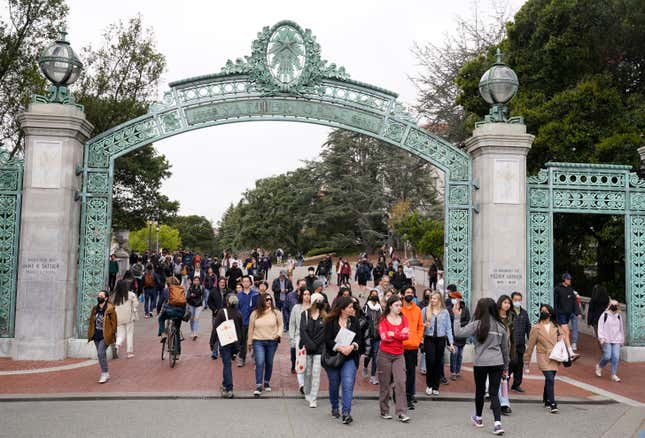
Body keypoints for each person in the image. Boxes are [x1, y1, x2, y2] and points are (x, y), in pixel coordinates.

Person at [453, 298, 509, 435]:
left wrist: (457, 317)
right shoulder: (500, 326)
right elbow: (505, 350)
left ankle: (478, 418)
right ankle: (497, 423)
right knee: (495, 393)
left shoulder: (476, 324)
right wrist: (506, 367)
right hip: (497, 362)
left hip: (481, 363)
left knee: (480, 391)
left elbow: (458, 333)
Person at [323, 296, 364, 425]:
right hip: (334, 357)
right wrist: (340, 348)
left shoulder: (354, 321)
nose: (353, 309)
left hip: (350, 357)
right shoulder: (330, 321)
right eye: (350, 307)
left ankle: (346, 412)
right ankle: (335, 407)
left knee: (347, 383)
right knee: (334, 384)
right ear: (342, 309)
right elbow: (327, 340)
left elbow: (359, 339)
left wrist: (352, 347)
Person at [524, 303, 572, 414]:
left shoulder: (556, 326)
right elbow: (531, 345)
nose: (543, 312)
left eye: (545, 311)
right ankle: (552, 403)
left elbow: (563, 340)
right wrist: (527, 360)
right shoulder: (536, 328)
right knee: (550, 378)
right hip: (543, 356)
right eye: (542, 311)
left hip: (554, 356)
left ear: (550, 313)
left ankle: (546, 399)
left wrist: (567, 349)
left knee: (550, 379)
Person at [377, 295, 411, 423]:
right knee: (385, 384)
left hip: (399, 355)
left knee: (401, 382)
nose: (399, 308)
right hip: (384, 354)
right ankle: (384, 410)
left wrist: (394, 334)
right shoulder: (383, 319)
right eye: (396, 305)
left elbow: (406, 335)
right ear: (390, 306)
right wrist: (398, 334)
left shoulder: (404, 319)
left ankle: (401, 412)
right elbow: (385, 337)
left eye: (400, 305)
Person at [248, 293, 283, 396]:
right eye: (267, 299)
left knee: (269, 362)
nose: (269, 301)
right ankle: (259, 384)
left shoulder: (276, 312)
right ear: (262, 301)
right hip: (258, 340)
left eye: (270, 299)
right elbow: (251, 328)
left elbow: (281, 325)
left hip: (272, 341)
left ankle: (266, 381)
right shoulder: (255, 313)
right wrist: (249, 342)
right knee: (260, 361)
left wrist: (278, 334)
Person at [422, 292, 454, 396]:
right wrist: (424, 325)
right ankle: (429, 385)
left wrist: (451, 343)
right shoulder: (425, 310)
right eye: (431, 298)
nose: (432, 300)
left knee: (438, 363)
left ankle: (436, 386)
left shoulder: (445, 312)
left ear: (439, 300)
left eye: (435, 298)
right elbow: (420, 325)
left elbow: (449, 328)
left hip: (441, 339)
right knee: (430, 361)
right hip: (429, 339)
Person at [213, 294, 243, 398]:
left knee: (227, 365)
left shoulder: (222, 312)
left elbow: (215, 328)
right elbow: (241, 331)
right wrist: (240, 345)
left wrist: (212, 342)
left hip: (225, 341)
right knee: (228, 364)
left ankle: (229, 388)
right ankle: (225, 384)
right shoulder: (239, 314)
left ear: (227, 302)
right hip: (235, 343)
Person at [300, 292, 327, 408]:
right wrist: (309, 344)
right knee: (308, 372)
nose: (320, 303)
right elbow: (303, 331)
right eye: (318, 301)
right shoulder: (305, 314)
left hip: (319, 349)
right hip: (307, 347)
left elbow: (324, 333)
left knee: (316, 372)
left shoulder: (324, 316)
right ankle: (306, 391)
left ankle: (313, 397)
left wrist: (315, 344)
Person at [400, 286, 423, 410]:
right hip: (399, 346)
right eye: (407, 292)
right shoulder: (398, 308)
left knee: (410, 373)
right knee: (398, 373)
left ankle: (408, 398)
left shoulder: (418, 309)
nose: (410, 294)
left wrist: (418, 339)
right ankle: (398, 395)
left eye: (412, 293)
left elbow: (420, 326)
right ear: (403, 294)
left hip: (413, 347)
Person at [87, 290, 117, 383]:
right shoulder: (95, 308)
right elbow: (92, 321)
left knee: (100, 353)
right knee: (101, 355)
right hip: (96, 335)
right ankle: (106, 372)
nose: (99, 297)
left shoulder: (110, 309)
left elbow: (114, 323)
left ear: (106, 298)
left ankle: (104, 373)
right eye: (98, 295)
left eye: (101, 295)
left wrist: (111, 333)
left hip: (105, 335)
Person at [157, 277, 187, 359]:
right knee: (177, 331)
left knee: (161, 318)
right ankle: (177, 353)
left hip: (170, 311)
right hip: (180, 312)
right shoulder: (181, 289)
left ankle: (163, 334)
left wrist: (158, 311)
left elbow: (160, 303)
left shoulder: (166, 290)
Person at [595, 299, 624, 382]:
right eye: (612, 305)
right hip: (606, 339)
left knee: (616, 357)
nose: (614, 307)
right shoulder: (604, 315)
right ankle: (600, 366)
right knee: (607, 356)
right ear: (609, 305)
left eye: (615, 305)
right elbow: (600, 327)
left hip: (616, 339)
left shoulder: (618, 316)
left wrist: (622, 339)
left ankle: (613, 374)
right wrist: (601, 338)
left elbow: (621, 328)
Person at [509, 292, 531, 392]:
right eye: (515, 300)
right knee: (512, 362)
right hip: (510, 344)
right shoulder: (509, 312)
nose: (517, 302)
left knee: (519, 365)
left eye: (519, 300)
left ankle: (516, 384)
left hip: (521, 343)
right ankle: (505, 379)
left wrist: (530, 338)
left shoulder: (524, 313)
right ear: (511, 300)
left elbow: (528, 327)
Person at [497, 294, 515, 415]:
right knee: (496, 379)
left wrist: (512, 353)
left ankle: (503, 402)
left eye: (508, 303)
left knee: (504, 378)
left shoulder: (511, 319)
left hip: (506, 352)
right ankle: (500, 402)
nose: (507, 305)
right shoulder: (495, 318)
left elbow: (512, 338)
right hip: (495, 352)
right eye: (505, 302)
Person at [447, 289, 470, 381]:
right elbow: (448, 322)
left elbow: (468, 320)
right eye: (452, 298)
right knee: (454, 352)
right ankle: (453, 372)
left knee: (460, 354)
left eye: (455, 298)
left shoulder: (465, 308)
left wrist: (459, 324)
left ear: (459, 299)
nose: (453, 300)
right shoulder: (449, 309)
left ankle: (458, 371)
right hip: (453, 335)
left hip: (462, 335)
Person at [553, 272, 581, 350]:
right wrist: (555, 312)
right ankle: (568, 348)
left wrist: (577, 312)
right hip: (561, 313)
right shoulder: (557, 289)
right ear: (564, 279)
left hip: (570, 313)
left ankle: (564, 345)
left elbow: (574, 301)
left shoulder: (570, 289)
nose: (569, 280)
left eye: (570, 279)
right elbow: (555, 301)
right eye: (568, 279)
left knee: (564, 331)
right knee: (566, 330)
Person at [289, 286, 311, 386]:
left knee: (310, 362)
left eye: (308, 294)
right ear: (301, 295)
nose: (306, 296)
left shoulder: (314, 308)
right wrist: (292, 339)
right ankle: (301, 384)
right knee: (301, 361)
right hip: (300, 338)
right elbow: (292, 324)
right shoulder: (296, 308)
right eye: (304, 294)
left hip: (312, 339)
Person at [112, 279, 138, 359]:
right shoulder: (131, 294)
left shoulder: (114, 296)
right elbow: (136, 304)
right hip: (129, 317)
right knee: (129, 334)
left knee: (120, 334)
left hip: (118, 317)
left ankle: (117, 345)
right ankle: (129, 352)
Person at [237, 275, 259, 367]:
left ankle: (256, 359)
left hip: (254, 323)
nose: (246, 283)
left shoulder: (255, 295)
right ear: (242, 283)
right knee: (242, 342)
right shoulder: (238, 296)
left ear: (250, 283)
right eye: (244, 281)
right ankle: (242, 359)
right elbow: (236, 310)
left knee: (255, 342)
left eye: (247, 281)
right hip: (242, 323)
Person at [362, 289, 382, 385]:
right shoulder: (366, 307)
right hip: (368, 335)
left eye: (376, 295)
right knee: (368, 355)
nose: (374, 296)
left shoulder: (380, 308)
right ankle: (365, 367)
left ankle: (373, 376)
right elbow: (362, 320)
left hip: (377, 336)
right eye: (372, 294)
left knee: (375, 356)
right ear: (369, 296)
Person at [588, 285, 610, 350]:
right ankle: (608, 350)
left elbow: (591, 311)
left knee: (600, 337)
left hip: (596, 320)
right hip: (606, 319)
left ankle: (604, 351)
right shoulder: (607, 299)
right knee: (607, 336)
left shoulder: (593, 299)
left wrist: (589, 322)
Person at [207, 278, 224, 359]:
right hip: (216, 315)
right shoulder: (213, 291)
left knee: (224, 333)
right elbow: (209, 302)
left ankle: (222, 350)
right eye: (221, 282)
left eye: (224, 282)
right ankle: (214, 352)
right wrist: (214, 309)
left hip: (225, 315)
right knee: (216, 332)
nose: (222, 284)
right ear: (218, 283)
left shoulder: (228, 291)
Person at [418, 288, 432, 375]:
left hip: (431, 331)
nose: (428, 296)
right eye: (426, 294)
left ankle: (428, 367)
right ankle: (423, 367)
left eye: (429, 294)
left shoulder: (434, 305)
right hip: (423, 330)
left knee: (428, 350)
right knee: (424, 350)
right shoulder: (421, 305)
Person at [186, 275, 204, 340]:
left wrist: (203, 305)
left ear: (199, 281)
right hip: (191, 305)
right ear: (193, 281)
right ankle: (192, 331)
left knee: (196, 318)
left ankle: (195, 333)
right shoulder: (190, 288)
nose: (196, 281)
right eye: (195, 280)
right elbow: (187, 297)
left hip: (199, 305)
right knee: (191, 318)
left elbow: (203, 296)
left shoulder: (202, 287)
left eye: (197, 280)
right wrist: (192, 295)